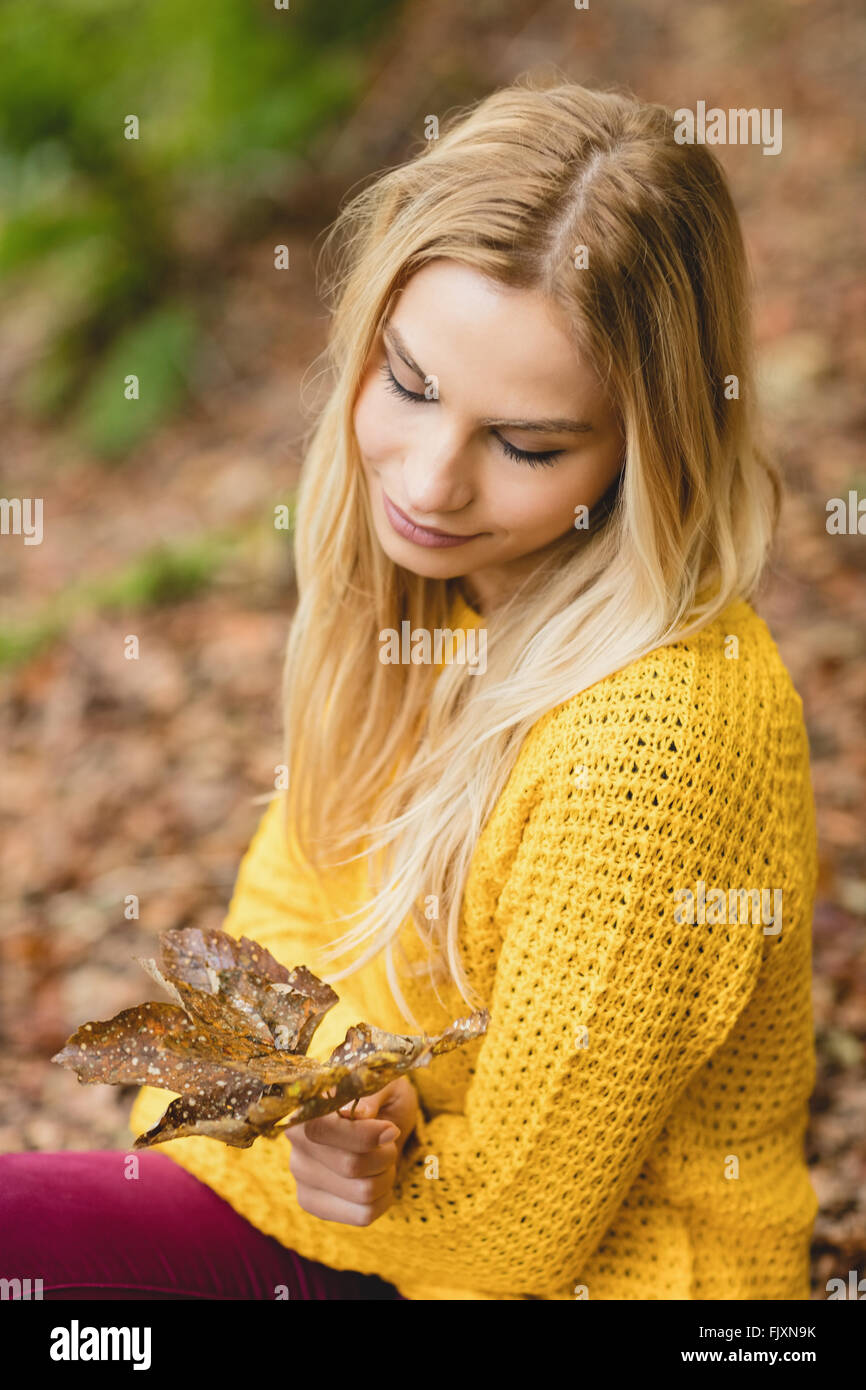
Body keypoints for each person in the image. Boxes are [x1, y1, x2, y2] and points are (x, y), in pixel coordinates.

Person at [1, 75, 818, 1301]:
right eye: (412, 384)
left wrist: (258, 1124)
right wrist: (327, 1083)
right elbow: (274, 921)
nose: (429, 485)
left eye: (527, 444)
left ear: (645, 448)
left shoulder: (657, 740)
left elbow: (508, 1234)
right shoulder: (420, 595)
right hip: (370, 1252)